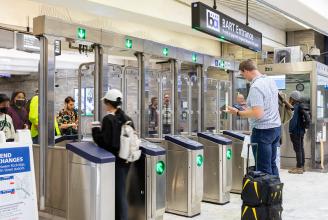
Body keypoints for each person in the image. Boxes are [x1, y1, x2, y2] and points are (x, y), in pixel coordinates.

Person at [226, 59, 281, 176]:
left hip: (262, 131)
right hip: (275, 128)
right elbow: (265, 107)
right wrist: (249, 108)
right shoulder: (270, 81)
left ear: (246, 70)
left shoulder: (256, 86)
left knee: (263, 168)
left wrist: (238, 113)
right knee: (272, 164)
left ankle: (265, 195)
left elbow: (258, 113)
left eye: (242, 74)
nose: (244, 77)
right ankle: (275, 194)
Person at [92, 89, 133, 220]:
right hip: (126, 159)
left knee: (118, 193)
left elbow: (105, 142)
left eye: (105, 102)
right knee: (121, 191)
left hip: (115, 161)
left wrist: (95, 130)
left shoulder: (109, 119)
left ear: (108, 103)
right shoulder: (127, 118)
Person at [288, 91, 306, 174]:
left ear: (293, 98)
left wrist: (290, 130)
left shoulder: (295, 107)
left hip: (295, 131)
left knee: (297, 149)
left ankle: (299, 168)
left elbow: (293, 121)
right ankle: (302, 166)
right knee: (301, 148)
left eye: (290, 98)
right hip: (301, 131)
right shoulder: (301, 106)